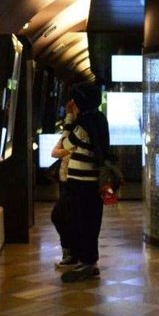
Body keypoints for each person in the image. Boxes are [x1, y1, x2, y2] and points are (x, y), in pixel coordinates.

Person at [59, 82, 110, 283]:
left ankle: (87, 263)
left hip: (81, 183)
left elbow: (65, 144)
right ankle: (89, 262)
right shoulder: (99, 118)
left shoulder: (83, 125)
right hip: (92, 181)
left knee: (81, 222)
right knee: (91, 222)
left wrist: (69, 118)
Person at [49, 100, 77, 269]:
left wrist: (64, 150)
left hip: (72, 181)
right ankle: (69, 253)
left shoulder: (80, 131)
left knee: (59, 216)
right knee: (64, 217)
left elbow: (58, 151)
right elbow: (54, 152)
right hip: (64, 180)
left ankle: (70, 254)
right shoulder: (70, 131)